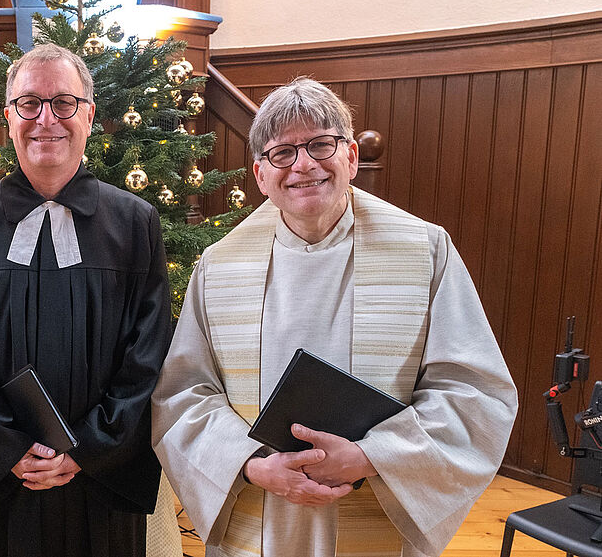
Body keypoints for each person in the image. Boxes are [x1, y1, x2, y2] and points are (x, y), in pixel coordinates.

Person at [151, 77, 518, 557]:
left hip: (375, 508)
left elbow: (475, 392)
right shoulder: (220, 264)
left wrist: (372, 455)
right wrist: (250, 463)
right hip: (260, 516)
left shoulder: (424, 250)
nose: (304, 165)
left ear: (351, 157)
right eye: (283, 153)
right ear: (261, 175)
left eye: (321, 145)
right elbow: (183, 393)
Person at [0, 43, 172, 557]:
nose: (46, 120)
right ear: (8, 116)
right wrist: (8, 449)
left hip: (100, 475)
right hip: (1, 476)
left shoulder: (133, 222)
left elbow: (149, 352)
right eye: (29, 103)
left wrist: (88, 447)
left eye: (63, 103)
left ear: (89, 115)